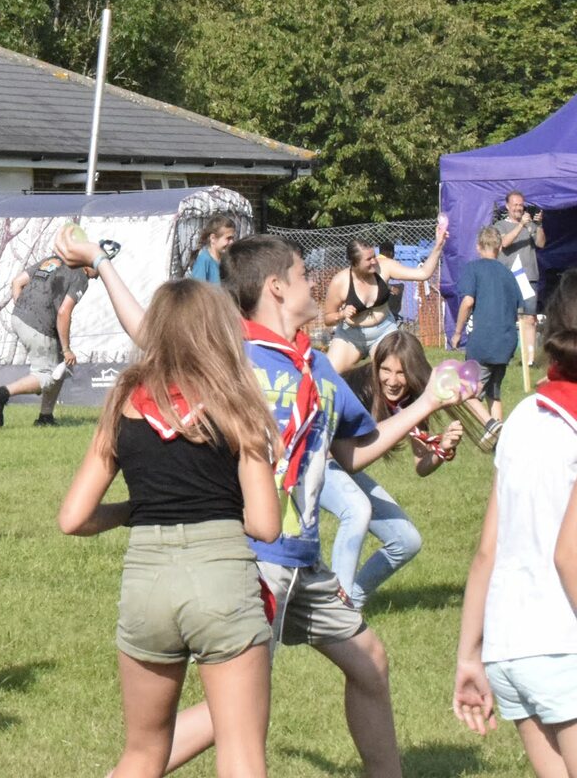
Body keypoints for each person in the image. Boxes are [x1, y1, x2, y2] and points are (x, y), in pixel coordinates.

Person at [62, 232, 464, 777]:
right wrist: (101, 263)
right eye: (303, 275)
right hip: (249, 558)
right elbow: (159, 333)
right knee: (234, 716)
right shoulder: (227, 359)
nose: (314, 283)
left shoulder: (316, 365)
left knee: (369, 662)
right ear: (276, 287)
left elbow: (351, 451)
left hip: (302, 558)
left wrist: (429, 404)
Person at [57, 272, 280, 778]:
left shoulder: (124, 400)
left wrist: (132, 511)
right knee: (242, 753)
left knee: (142, 753)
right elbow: (266, 525)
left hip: (146, 580)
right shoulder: (237, 400)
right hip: (221, 574)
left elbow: (73, 518)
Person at [454, 271, 577, 773]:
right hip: (563, 643)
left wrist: (469, 655)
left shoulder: (524, 416)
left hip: (510, 647)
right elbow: (569, 557)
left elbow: (488, 550)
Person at [322, 330, 463, 611]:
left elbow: (421, 466)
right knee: (357, 510)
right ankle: (338, 611)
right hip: (314, 461)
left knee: (407, 541)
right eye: (385, 370)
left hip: (341, 466)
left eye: (401, 373)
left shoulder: (412, 399)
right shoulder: (357, 389)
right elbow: (349, 459)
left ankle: (352, 603)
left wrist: (442, 449)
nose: (392, 380)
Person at [0, 245, 100, 427]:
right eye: (99, 267)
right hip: (39, 325)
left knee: (59, 365)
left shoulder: (53, 260)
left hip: (18, 317)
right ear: (89, 261)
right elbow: (64, 312)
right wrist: (67, 349)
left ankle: (46, 417)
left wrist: (25, 311)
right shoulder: (81, 276)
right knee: (47, 375)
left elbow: (17, 282)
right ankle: (1, 393)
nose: (99, 275)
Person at [322, 219, 447, 373]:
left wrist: (438, 246)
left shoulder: (385, 267)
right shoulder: (340, 282)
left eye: (374, 256)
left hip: (383, 332)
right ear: (354, 263)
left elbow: (423, 273)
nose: (374, 261)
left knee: (400, 372)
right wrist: (341, 314)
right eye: (368, 259)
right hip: (350, 335)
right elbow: (328, 318)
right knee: (328, 375)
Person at [453, 223, 527, 427]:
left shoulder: (473, 268)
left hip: (484, 341)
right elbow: (518, 308)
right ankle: (499, 436)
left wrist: (457, 332)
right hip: (506, 341)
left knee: (466, 391)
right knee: (494, 391)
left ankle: (490, 426)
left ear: (478, 246)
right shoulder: (508, 274)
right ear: (500, 247)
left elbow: (467, 302)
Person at [498, 191, 548, 375]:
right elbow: (504, 243)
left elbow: (541, 244)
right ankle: (504, 356)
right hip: (508, 278)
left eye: (521, 204)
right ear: (507, 206)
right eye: (515, 204)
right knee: (506, 318)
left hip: (528, 278)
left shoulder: (530, 225)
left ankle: (530, 359)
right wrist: (521, 225)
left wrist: (538, 225)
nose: (519, 208)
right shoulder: (500, 225)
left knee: (529, 318)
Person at [189, 214, 237, 284]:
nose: (232, 242)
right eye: (228, 238)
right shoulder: (203, 261)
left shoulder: (227, 261)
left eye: (233, 238)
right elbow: (197, 289)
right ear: (213, 238)